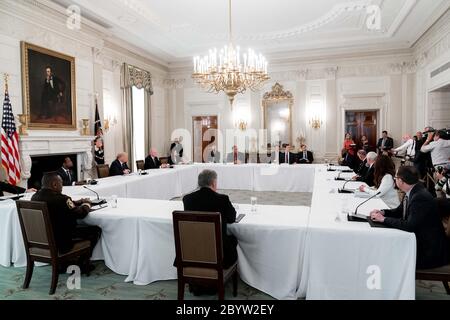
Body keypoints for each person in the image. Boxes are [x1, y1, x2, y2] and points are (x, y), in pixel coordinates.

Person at [370, 166, 449, 269]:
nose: (394, 180)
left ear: (401, 181)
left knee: (387, 255)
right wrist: (383, 212)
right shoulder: (413, 190)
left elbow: (410, 226)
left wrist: (383, 219)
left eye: (395, 178)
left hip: (428, 252)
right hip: (420, 243)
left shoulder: (419, 197)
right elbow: (399, 211)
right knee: (385, 249)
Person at [181, 170, 237, 295]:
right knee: (233, 240)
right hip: (218, 254)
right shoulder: (222, 199)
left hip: (193, 252)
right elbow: (232, 218)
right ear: (213, 183)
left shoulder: (187, 199)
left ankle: (197, 284)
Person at [31, 173, 101, 269]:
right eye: (61, 183)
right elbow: (80, 214)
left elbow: (60, 205)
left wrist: (77, 202)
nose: (62, 186)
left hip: (44, 240)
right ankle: (82, 264)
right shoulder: (62, 199)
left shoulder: (34, 197)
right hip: (62, 243)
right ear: (54, 184)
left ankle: (65, 263)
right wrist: (87, 204)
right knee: (95, 230)